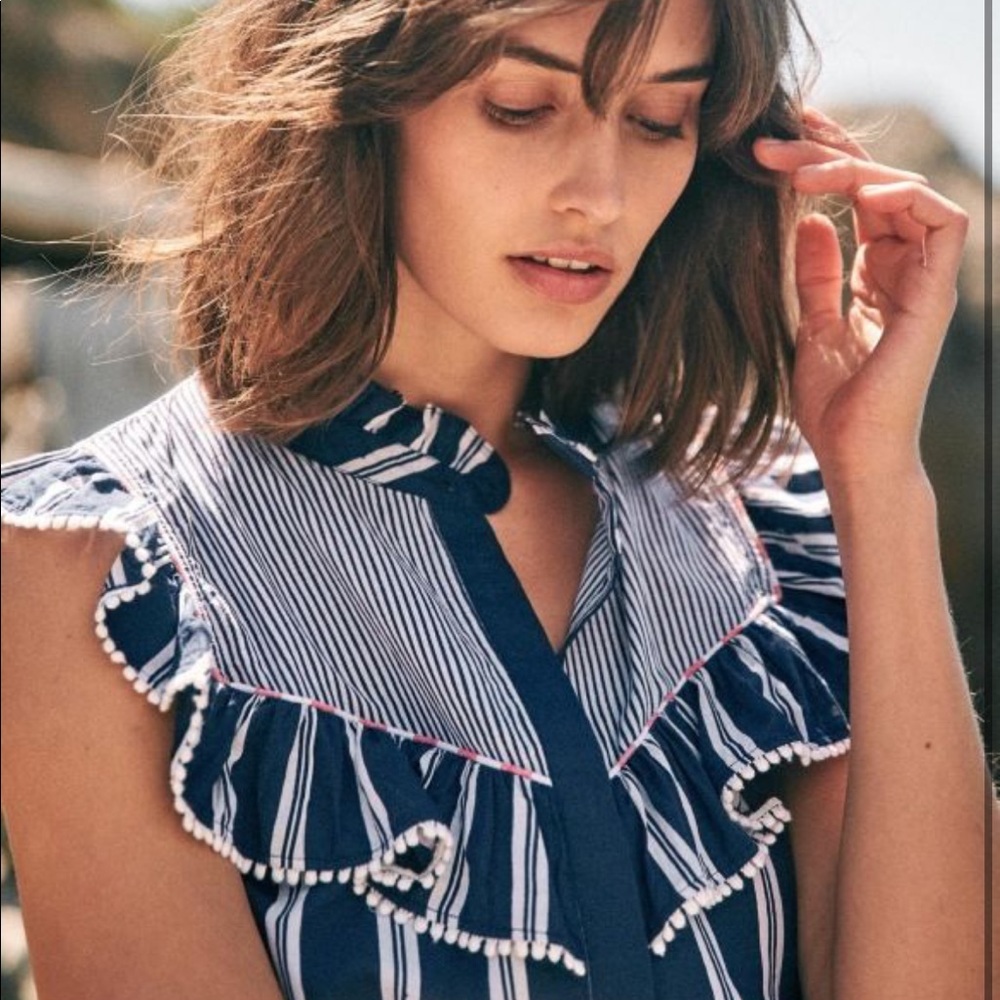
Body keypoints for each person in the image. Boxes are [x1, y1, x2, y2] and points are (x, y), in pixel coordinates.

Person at [0, 0, 992, 998]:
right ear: (359, 94)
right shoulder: (93, 577)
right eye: (520, 105)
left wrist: (878, 483)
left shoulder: (768, 530)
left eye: (658, 122)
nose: (598, 197)